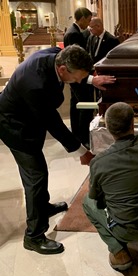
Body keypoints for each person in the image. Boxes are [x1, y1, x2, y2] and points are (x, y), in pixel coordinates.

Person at [0, 45, 97, 255]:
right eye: (78, 78)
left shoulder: (56, 54)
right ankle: (33, 236)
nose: (79, 81)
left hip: (28, 119)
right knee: (35, 176)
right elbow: (54, 123)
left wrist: (91, 79)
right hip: (14, 126)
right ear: (63, 69)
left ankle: (43, 207)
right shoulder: (34, 84)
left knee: (40, 171)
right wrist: (82, 152)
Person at [83, 83, 138, 271]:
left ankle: (119, 251)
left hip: (125, 228)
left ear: (107, 128)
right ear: (133, 124)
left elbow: (96, 199)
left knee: (87, 202)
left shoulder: (99, 162)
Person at [64, 8, 116, 147]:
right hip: (79, 77)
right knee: (83, 105)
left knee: (78, 104)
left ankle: (79, 134)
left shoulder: (109, 39)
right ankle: (83, 137)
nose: (88, 27)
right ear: (82, 18)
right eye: (88, 21)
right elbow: (76, 59)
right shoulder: (75, 34)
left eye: (91, 25)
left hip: (85, 75)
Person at [86, 17, 120, 105]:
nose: (90, 30)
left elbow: (114, 60)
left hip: (105, 74)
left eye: (91, 28)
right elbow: (89, 54)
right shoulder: (91, 38)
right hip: (93, 73)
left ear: (98, 26)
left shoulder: (112, 40)